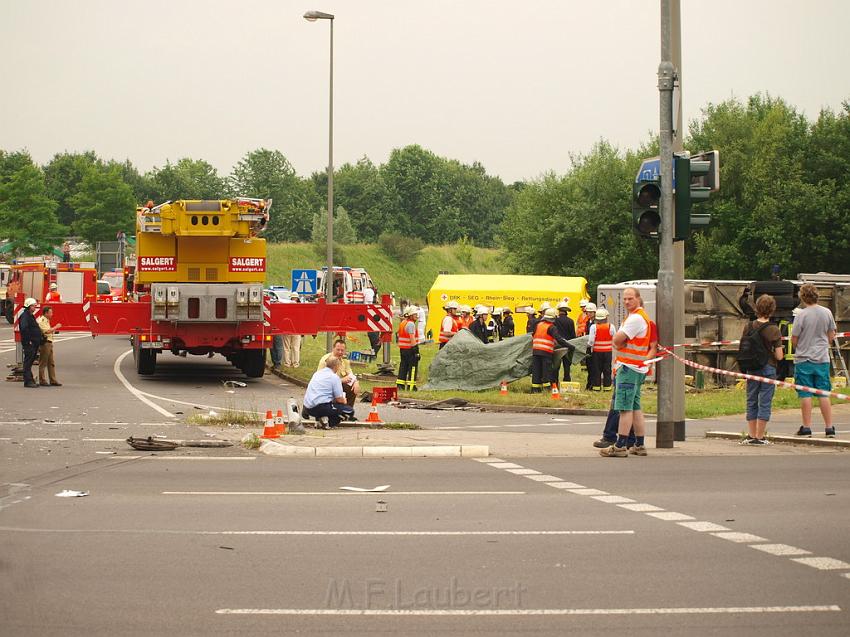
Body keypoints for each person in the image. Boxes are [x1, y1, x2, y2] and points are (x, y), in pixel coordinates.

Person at [600, 287, 652, 457]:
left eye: (630, 298)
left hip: (629, 367)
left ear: (638, 299)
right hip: (638, 367)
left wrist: (618, 343)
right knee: (636, 407)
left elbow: (617, 339)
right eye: (624, 299)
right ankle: (639, 444)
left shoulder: (635, 318)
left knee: (624, 407)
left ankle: (620, 445)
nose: (627, 302)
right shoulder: (643, 317)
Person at [792, 283, 837, 437]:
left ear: (803, 297)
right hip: (822, 358)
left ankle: (806, 427)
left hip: (804, 359)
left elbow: (794, 338)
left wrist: (800, 346)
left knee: (805, 393)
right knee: (824, 393)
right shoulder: (827, 312)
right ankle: (829, 427)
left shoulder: (801, 315)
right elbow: (831, 335)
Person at [740, 294, 784, 445]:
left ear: (756, 308)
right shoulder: (774, 329)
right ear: (772, 310)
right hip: (768, 368)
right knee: (765, 401)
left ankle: (751, 435)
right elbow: (779, 356)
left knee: (751, 399)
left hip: (751, 368)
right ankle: (760, 436)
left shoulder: (748, 326)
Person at [302, 356, 355, 428]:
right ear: (336, 366)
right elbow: (339, 399)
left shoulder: (317, 373)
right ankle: (329, 423)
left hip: (308, 406)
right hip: (321, 406)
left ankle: (321, 418)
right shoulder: (334, 377)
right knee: (349, 411)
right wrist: (344, 401)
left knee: (329, 404)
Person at [531, 308, 574, 394]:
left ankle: (535, 389)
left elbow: (533, 335)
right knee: (546, 371)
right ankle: (547, 390)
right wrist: (570, 346)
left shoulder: (538, 325)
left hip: (535, 351)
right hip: (546, 352)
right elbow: (559, 339)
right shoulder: (552, 327)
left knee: (536, 370)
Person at [318, 339, 361, 407]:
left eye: (342, 350)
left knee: (352, 387)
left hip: (338, 385)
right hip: (326, 387)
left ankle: (347, 412)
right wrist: (341, 380)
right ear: (333, 349)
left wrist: (356, 382)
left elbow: (350, 374)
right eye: (338, 350)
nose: (340, 352)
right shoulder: (326, 360)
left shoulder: (344, 360)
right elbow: (323, 380)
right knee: (339, 390)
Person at [588, 307, 615, 391]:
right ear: (605, 317)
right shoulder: (611, 326)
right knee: (607, 370)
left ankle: (596, 387)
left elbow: (591, 341)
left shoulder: (593, 327)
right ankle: (607, 387)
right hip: (608, 352)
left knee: (597, 370)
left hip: (597, 352)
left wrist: (588, 346)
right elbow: (615, 338)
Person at [19, 298, 43, 388]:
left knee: (30, 361)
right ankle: (28, 381)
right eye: (33, 306)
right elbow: (24, 329)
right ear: (28, 306)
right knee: (28, 362)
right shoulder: (25, 316)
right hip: (29, 343)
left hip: (33, 342)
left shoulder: (30, 315)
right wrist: (29, 340)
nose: (35, 307)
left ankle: (30, 379)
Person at [37, 305, 62, 386]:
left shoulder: (46, 320)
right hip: (45, 343)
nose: (52, 314)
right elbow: (46, 331)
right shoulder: (42, 320)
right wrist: (55, 327)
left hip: (49, 343)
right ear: (46, 313)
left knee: (51, 363)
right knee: (43, 362)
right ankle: (42, 380)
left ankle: (53, 380)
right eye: (51, 313)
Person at [396, 305, 420, 391]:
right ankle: (411, 386)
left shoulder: (403, 323)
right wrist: (416, 351)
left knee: (403, 366)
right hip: (410, 349)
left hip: (403, 349)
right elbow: (412, 338)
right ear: (410, 315)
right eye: (415, 314)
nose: (417, 316)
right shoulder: (411, 324)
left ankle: (400, 385)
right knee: (412, 368)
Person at [554, 301, 576, 382]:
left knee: (556, 366)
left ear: (559, 310)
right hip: (568, 345)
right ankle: (567, 381)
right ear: (566, 311)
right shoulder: (570, 321)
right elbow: (573, 335)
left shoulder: (555, 320)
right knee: (567, 366)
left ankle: (555, 383)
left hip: (557, 346)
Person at [282, 292, 302, 367]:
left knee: (286, 348)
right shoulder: (301, 308)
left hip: (287, 330)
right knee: (296, 348)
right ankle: (296, 364)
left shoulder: (287, 307)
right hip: (297, 330)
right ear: (298, 298)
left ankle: (287, 363)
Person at [582, 302, 597, 390]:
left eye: (591, 312)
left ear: (595, 313)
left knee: (593, 367)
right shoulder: (588, 322)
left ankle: (592, 385)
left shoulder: (596, 322)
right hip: (588, 346)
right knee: (589, 366)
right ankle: (589, 384)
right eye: (588, 312)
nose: (589, 314)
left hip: (594, 347)